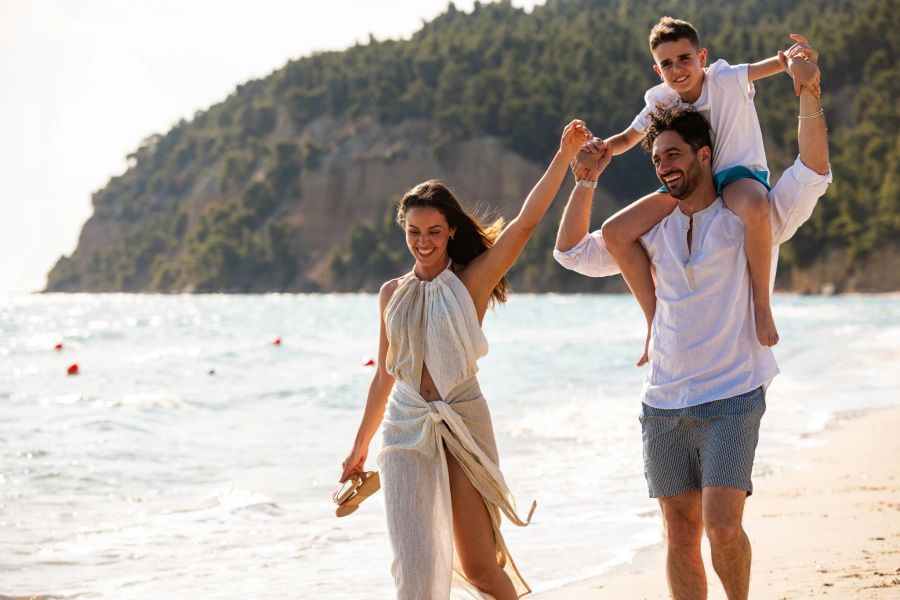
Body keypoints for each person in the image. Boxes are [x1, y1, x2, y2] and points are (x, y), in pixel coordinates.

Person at [554, 46, 829, 599]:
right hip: (663, 403)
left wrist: (808, 92)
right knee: (679, 534)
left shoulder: (752, 217)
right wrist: (583, 180)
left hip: (732, 396)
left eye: (674, 155)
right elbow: (572, 253)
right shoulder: (649, 232)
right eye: (657, 161)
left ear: (705, 156)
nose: (664, 167)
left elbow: (812, 171)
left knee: (723, 528)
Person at [340, 120, 592, 599]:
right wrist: (358, 449)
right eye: (414, 232)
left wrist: (563, 156)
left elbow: (525, 223)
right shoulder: (391, 293)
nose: (423, 241)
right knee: (412, 566)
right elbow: (383, 380)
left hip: (462, 421)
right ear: (404, 231)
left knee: (480, 567)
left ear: (451, 230)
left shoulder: (470, 282)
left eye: (434, 231)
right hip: (403, 428)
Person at [573, 17, 819, 365]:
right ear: (657, 70)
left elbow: (776, 64)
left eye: (684, 59)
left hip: (735, 174)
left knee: (756, 208)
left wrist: (795, 61)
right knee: (615, 231)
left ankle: (762, 308)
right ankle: (654, 324)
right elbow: (628, 139)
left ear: (702, 56)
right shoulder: (661, 99)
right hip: (687, 183)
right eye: (667, 64)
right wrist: (598, 148)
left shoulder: (726, 79)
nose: (677, 70)